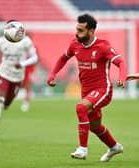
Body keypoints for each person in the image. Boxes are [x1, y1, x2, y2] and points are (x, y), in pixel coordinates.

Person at [47, 14, 127, 162]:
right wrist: (53, 74)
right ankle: (114, 147)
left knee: (80, 108)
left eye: (81, 30)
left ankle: (82, 149)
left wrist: (122, 79)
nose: (76, 33)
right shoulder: (74, 44)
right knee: (95, 126)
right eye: (76, 29)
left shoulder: (103, 46)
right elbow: (63, 58)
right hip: (87, 91)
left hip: (103, 89)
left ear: (91, 31)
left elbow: (121, 63)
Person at [0, 20, 38, 138]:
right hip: (3, 74)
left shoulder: (26, 42)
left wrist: (23, 63)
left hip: (18, 77)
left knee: (6, 104)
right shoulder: (0, 42)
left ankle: (7, 104)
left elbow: (35, 58)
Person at [20, 32, 38, 112]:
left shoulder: (33, 48)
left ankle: (26, 103)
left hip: (29, 70)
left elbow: (38, 59)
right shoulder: (20, 48)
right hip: (20, 70)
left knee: (27, 87)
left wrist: (34, 69)